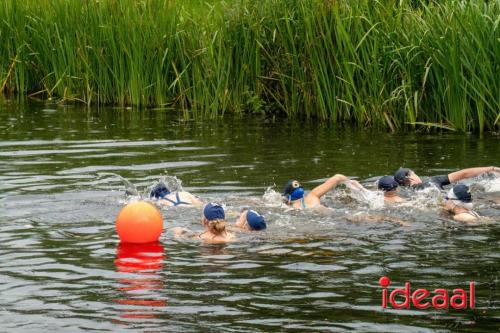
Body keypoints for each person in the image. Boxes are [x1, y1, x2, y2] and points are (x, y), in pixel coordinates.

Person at [282, 174, 356, 209]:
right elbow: (338, 177)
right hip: (338, 216)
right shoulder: (312, 196)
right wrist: (351, 184)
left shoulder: (290, 208)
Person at [394, 166, 500, 190]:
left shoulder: (407, 191)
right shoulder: (433, 181)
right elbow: (464, 174)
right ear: (410, 177)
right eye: (414, 173)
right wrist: (492, 168)